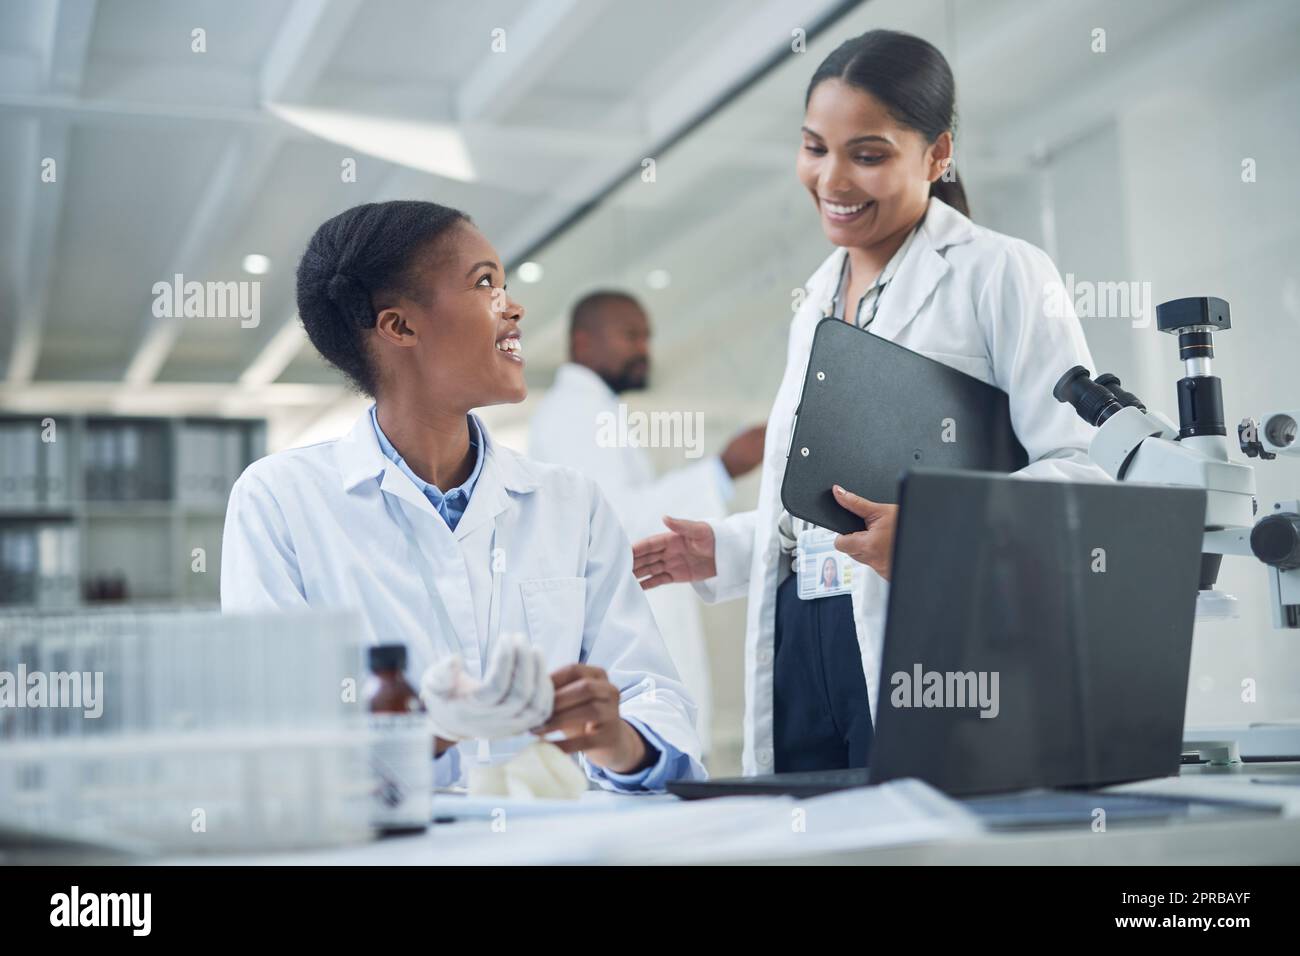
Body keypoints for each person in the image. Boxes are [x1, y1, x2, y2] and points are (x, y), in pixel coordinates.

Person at [632, 30, 1106, 776]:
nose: (832, 178)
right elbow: (822, 509)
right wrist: (725, 547)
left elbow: (1087, 469)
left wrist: (934, 536)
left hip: (926, 639)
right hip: (804, 634)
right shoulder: (815, 301)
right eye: (815, 147)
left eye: (869, 153)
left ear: (938, 154)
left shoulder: (1001, 272)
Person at [221, 200, 704, 792]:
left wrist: (618, 739)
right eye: (484, 283)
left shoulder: (571, 504)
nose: (514, 306)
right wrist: (434, 734)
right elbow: (276, 743)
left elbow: (653, 697)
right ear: (399, 326)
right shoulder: (279, 502)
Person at [528, 290, 765, 755]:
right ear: (582, 341)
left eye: (647, 337)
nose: (644, 349)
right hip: (621, 632)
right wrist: (723, 469)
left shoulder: (595, 409)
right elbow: (614, 520)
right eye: (630, 335)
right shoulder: (576, 413)